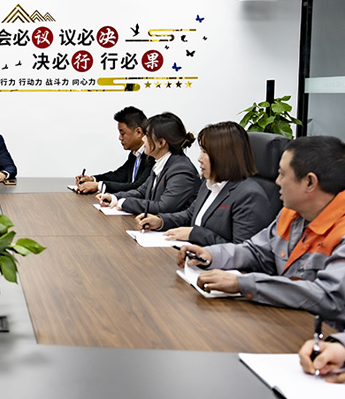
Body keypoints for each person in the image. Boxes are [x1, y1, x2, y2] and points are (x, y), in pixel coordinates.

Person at [177, 136, 345, 330]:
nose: (277, 181)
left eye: (282, 174)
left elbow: (328, 296)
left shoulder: (340, 231)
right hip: (284, 320)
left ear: (309, 182)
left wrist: (244, 284)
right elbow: (256, 251)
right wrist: (211, 255)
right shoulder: (292, 214)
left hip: (323, 335)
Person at [137, 121, 271, 245]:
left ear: (224, 155)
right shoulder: (209, 183)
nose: (199, 159)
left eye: (205, 152)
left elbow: (242, 249)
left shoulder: (249, 196)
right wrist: (160, 221)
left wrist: (195, 234)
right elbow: (189, 215)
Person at [100, 112, 200, 215]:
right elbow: (141, 192)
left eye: (147, 135)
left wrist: (124, 203)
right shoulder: (160, 162)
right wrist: (114, 197)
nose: (143, 139)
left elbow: (163, 207)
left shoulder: (181, 170)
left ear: (161, 143)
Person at [75, 106, 154, 194]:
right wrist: (93, 179)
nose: (120, 138)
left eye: (122, 133)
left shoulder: (152, 156)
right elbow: (118, 176)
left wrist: (99, 186)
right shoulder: (134, 154)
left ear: (138, 132)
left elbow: (139, 187)